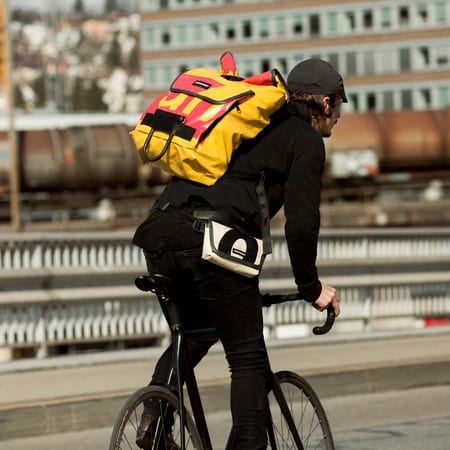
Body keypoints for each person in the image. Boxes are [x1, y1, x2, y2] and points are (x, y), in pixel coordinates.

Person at [132, 58, 344, 450]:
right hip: (211, 241)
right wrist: (310, 287)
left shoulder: (244, 118)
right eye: (340, 106)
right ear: (327, 104)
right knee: (246, 356)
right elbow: (301, 223)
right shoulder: (305, 140)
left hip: (160, 231)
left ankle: (154, 422)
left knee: (193, 334)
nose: (339, 117)